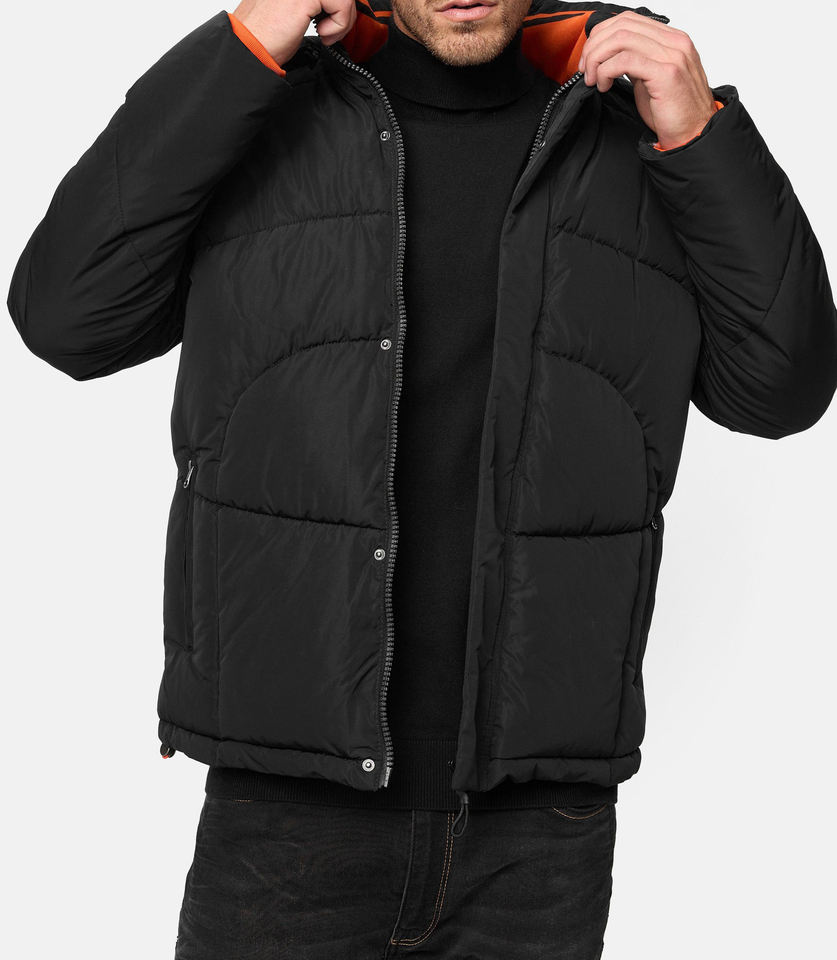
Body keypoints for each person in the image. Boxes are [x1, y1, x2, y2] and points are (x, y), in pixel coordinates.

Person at [7, 0, 836, 957]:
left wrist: (700, 137)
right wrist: (237, 51)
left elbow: (779, 391)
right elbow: (69, 318)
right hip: (288, 811)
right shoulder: (266, 105)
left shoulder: (631, 132)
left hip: (537, 831)